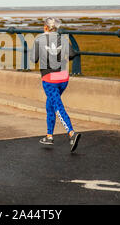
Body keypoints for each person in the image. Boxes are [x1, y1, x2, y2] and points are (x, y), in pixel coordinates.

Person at [30, 17, 81, 152]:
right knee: (50, 105)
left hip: (49, 79)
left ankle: (71, 133)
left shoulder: (39, 39)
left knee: (58, 106)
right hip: (64, 78)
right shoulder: (62, 39)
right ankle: (49, 136)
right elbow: (71, 55)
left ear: (46, 27)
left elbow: (33, 59)